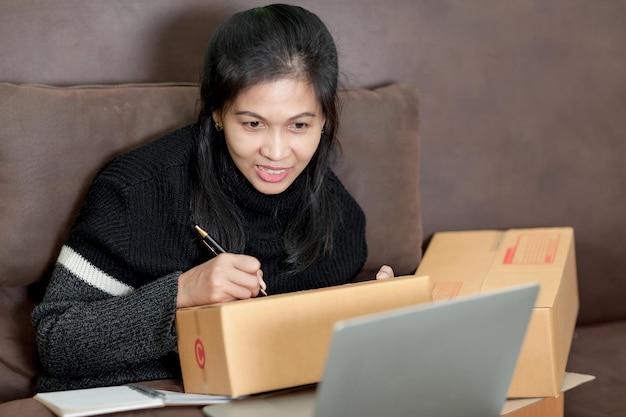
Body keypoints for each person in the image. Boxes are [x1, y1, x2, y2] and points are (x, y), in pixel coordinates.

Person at [32, 3, 394, 393]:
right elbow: (57, 342)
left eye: (299, 125)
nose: (276, 152)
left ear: (325, 119)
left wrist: (370, 309)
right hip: (140, 394)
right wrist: (181, 294)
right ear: (218, 113)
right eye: (253, 124)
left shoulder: (340, 216)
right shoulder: (137, 189)